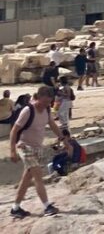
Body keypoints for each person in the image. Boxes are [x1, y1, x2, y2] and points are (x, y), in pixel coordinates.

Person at [8, 85, 64, 218]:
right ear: (38, 97)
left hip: (37, 147)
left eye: (48, 102)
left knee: (27, 178)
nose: (46, 105)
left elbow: (52, 124)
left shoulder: (47, 110)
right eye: (44, 102)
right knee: (38, 174)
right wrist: (12, 151)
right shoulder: (28, 111)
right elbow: (14, 130)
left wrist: (63, 139)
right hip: (24, 146)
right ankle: (47, 206)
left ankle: (15, 208)